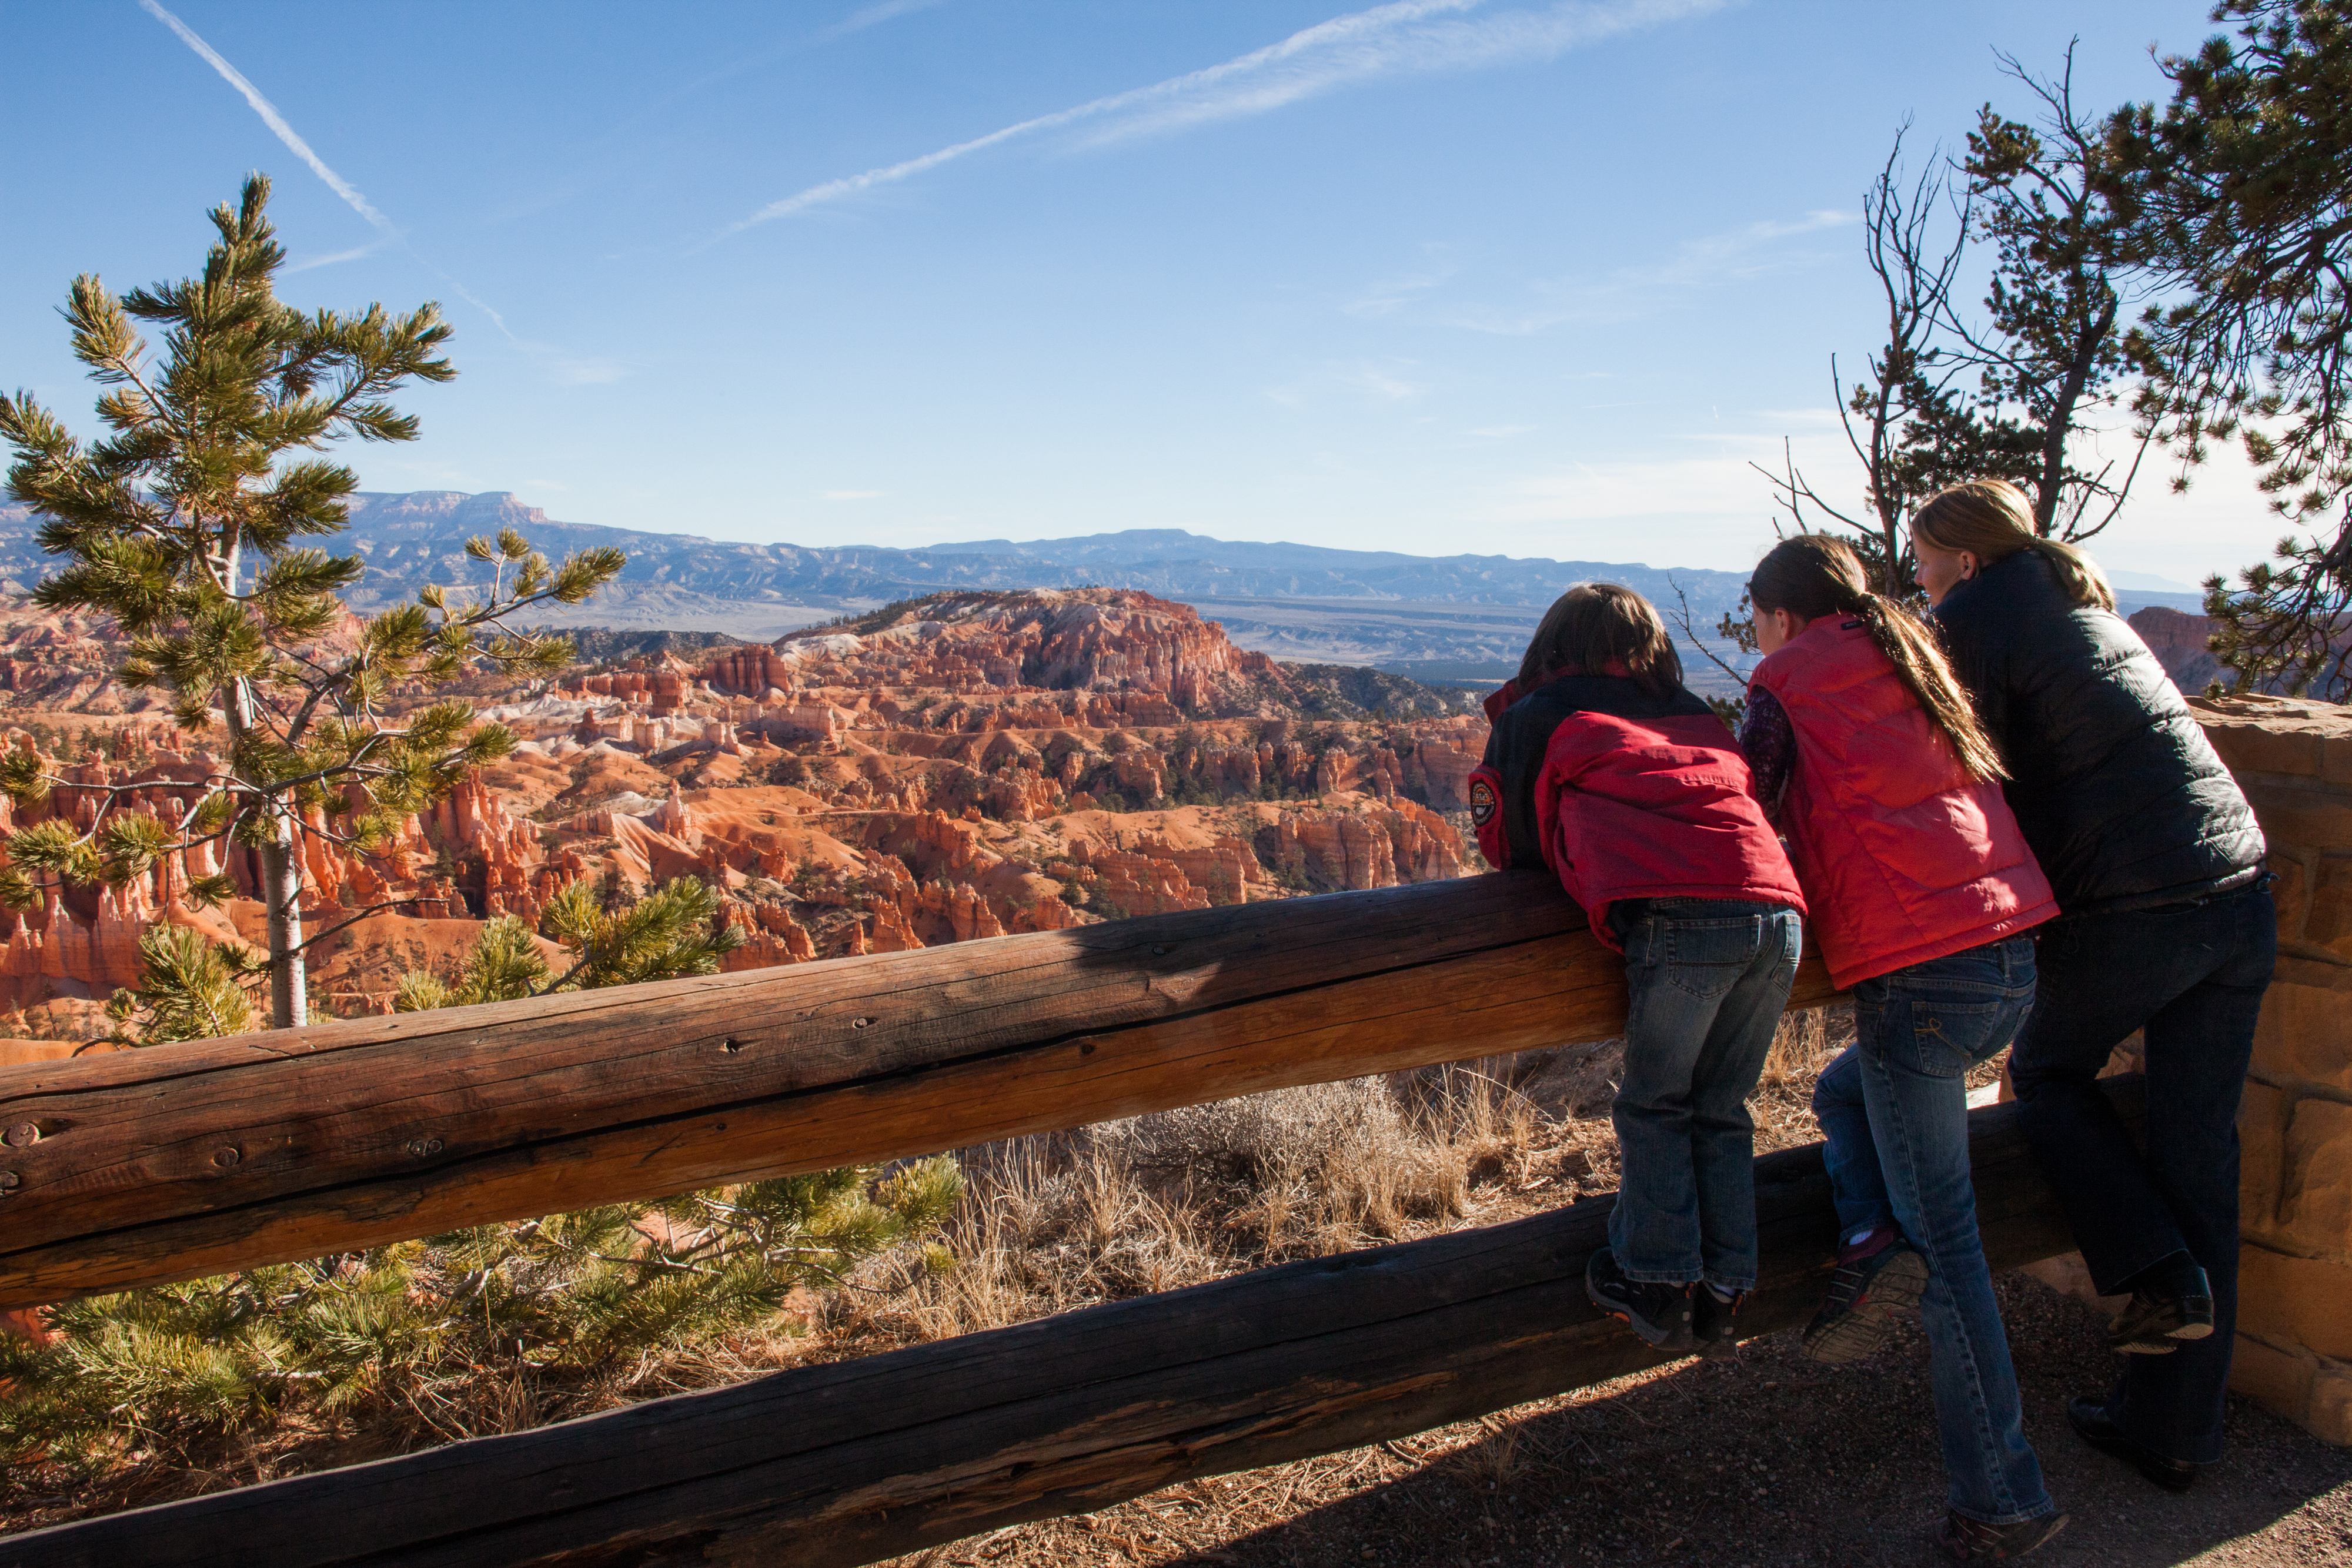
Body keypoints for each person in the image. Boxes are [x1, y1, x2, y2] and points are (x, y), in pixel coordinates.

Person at [1915, 479, 2274, 1496]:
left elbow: (1959, 772)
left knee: (2048, 1071)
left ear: (1968, 563)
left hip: (2143, 907)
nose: (1921, 575)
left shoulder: (1977, 619)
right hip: (2240, 894)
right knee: (2199, 1155)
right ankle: (2177, 1428)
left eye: (1927, 558)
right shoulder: (2083, 609)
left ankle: (2154, 1274)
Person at [1741, 534, 2066, 1562]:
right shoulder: (1912, 652)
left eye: (1754, 611)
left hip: (1922, 978)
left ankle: (2006, 1499)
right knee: (1844, 1094)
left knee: (1953, 1248)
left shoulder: (1784, 677)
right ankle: (1872, 1239)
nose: (1753, 630)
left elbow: (1741, 806)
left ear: (1783, 615)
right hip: (2013, 954)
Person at [1468, 583, 1804, 1355]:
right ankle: (1725, 1286)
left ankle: (1654, 1280)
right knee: (1722, 1104)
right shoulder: (1693, 708)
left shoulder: (1538, 714)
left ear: (1557, 639)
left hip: (1684, 920)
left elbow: (1509, 846)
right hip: (1779, 915)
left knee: (1656, 1103)